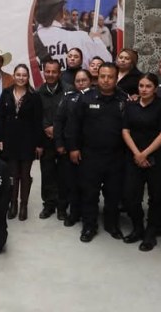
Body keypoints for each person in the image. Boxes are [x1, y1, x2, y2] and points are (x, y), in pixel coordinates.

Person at [66, 63, 128, 242]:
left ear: (116, 79)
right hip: (90, 155)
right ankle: (89, 226)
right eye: (102, 76)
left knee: (113, 193)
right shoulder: (86, 98)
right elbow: (74, 125)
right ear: (97, 78)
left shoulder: (123, 100)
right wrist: (74, 148)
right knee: (89, 193)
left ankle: (111, 225)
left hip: (115, 156)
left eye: (110, 77)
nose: (106, 80)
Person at [121, 73, 161, 251]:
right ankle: (137, 227)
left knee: (156, 197)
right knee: (129, 196)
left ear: (155, 88)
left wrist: (146, 153)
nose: (144, 89)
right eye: (141, 86)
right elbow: (125, 130)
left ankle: (151, 233)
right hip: (133, 156)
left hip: (156, 157)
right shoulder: (131, 105)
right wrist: (137, 153)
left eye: (148, 86)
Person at [32, 0, 112, 68]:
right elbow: (107, 63)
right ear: (62, 11)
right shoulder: (80, 37)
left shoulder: (28, 44)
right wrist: (97, 39)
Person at [0, 64, 43, 221]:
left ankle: (24, 206)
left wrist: (38, 144)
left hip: (28, 141)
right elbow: (0, 118)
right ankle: (13, 205)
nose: (21, 78)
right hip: (10, 140)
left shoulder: (34, 96)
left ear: (27, 77)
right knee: (13, 175)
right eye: (18, 74)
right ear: (14, 76)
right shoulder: (6, 93)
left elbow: (38, 121)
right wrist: (0, 139)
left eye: (24, 75)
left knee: (25, 174)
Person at [54, 69, 93, 227]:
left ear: (90, 81)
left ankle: (88, 214)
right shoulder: (68, 97)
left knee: (88, 184)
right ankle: (74, 213)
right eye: (78, 80)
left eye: (84, 80)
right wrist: (60, 143)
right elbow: (59, 121)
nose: (81, 83)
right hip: (71, 148)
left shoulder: (96, 96)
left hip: (91, 150)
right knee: (72, 183)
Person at [37, 59, 65, 219]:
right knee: (47, 173)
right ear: (43, 72)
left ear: (59, 73)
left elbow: (70, 114)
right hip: (45, 140)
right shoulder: (38, 92)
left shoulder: (68, 90)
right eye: (48, 71)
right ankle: (49, 205)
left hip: (62, 141)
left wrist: (57, 129)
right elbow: (36, 115)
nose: (51, 74)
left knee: (63, 174)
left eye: (54, 72)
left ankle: (62, 207)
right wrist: (46, 127)